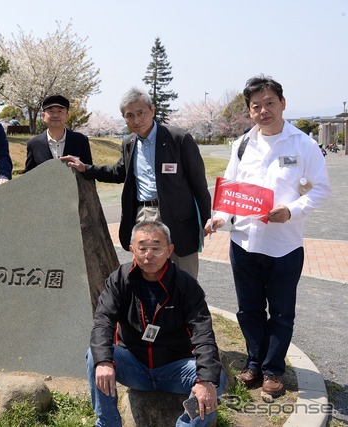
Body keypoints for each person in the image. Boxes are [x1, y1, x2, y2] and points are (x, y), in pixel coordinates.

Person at [205, 75, 331, 398]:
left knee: (281, 311)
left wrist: (292, 210)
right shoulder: (242, 145)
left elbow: (321, 189)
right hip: (243, 242)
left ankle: (274, 370)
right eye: (256, 106)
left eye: (270, 103)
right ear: (249, 111)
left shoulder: (303, 144)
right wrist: (218, 217)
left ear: (283, 103)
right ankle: (254, 361)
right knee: (248, 309)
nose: (264, 111)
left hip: (283, 246)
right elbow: (229, 189)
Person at [87, 220, 225, 427]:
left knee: (216, 379)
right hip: (134, 366)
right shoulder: (120, 279)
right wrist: (104, 362)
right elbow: (103, 321)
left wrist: (206, 380)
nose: (148, 254)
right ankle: (107, 423)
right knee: (95, 356)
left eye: (156, 248)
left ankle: (186, 425)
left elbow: (203, 333)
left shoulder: (185, 285)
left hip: (175, 369)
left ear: (169, 250)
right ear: (132, 250)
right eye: (142, 248)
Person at [63, 88, 210, 279]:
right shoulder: (129, 143)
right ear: (124, 118)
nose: (136, 120)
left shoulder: (178, 139)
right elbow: (119, 172)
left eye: (141, 113)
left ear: (152, 110)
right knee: (148, 273)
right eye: (129, 115)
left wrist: (206, 218)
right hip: (144, 214)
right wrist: (87, 168)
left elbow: (199, 183)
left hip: (178, 218)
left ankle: (185, 309)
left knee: (184, 277)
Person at [24, 94, 93, 172]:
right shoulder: (34, 144)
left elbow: (88, 172)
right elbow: (29, 176)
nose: (55, 115)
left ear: (67, 116)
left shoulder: (81, 140)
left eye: (60, 111)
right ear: (43, 116)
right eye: (51, 111)